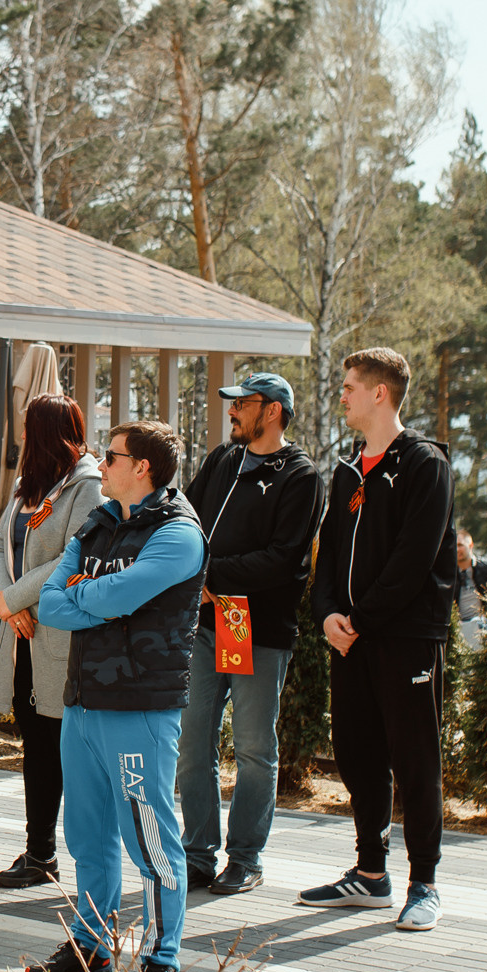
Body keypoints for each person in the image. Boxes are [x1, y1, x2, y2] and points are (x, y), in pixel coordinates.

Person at [25, 419, 206, 972]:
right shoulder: (99, 522)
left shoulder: (179, 534)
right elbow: (51, 603)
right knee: (86, 834)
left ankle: (162, 957)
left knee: (149, 837)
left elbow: (119, 596)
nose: (102, 463)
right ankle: (91, 946)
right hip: (82, 705)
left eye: (113, 455)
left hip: (140, 708)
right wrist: (94, 601)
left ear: (143, 469)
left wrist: (90, 599)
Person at [303, 347, 457, 934]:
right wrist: (326, 617)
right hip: (351, 639)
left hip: (406, 638)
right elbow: (329, 556)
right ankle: (370, 875)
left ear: (380, 393)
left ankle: (424, 883)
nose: (341, 395)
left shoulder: (424, 464)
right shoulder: (346, 471)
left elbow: (414, 560)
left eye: (349, 387)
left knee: (414, 758)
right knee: (356, 751)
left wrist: (358, 618)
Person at [174, 372, 327, 896]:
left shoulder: (300, 474)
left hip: (252, 625)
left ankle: (245, 858)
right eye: (233, 404)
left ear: (274, 410)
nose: (233, 412)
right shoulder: (222, 459)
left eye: (244, 404)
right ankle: (196, 854)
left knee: (254, 747)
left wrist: (208, 574)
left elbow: (284, 561)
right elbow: (184, 516)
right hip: (204, 624)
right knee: (193, 743)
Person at [0, 395, 102, 891]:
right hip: (22, 633)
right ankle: (40, 852)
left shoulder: (87, 485)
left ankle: (80, 855)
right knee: (35, 746)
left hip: (58, 635)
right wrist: (9, 607)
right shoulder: (26, 485)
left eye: (28, 426)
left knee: (62, 748)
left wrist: (13, 599)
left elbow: (73, 556)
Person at [453, 531, 487, 650]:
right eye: (455, 546)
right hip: (458, 628)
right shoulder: (449, 572)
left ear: (470, 546)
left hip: (483, 626)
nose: (457, 549)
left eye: (460, 545)